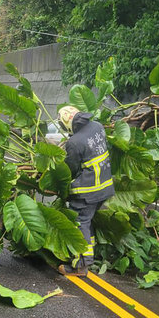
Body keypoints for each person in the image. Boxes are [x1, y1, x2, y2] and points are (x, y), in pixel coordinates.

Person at [57, 105, 114, 276]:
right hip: (105, 187)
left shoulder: (74, 143)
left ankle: (82, 265)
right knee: (87, 222)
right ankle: (88, 255)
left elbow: (70, 170)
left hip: (89, 190)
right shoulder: (97, 126)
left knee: (80, 222)